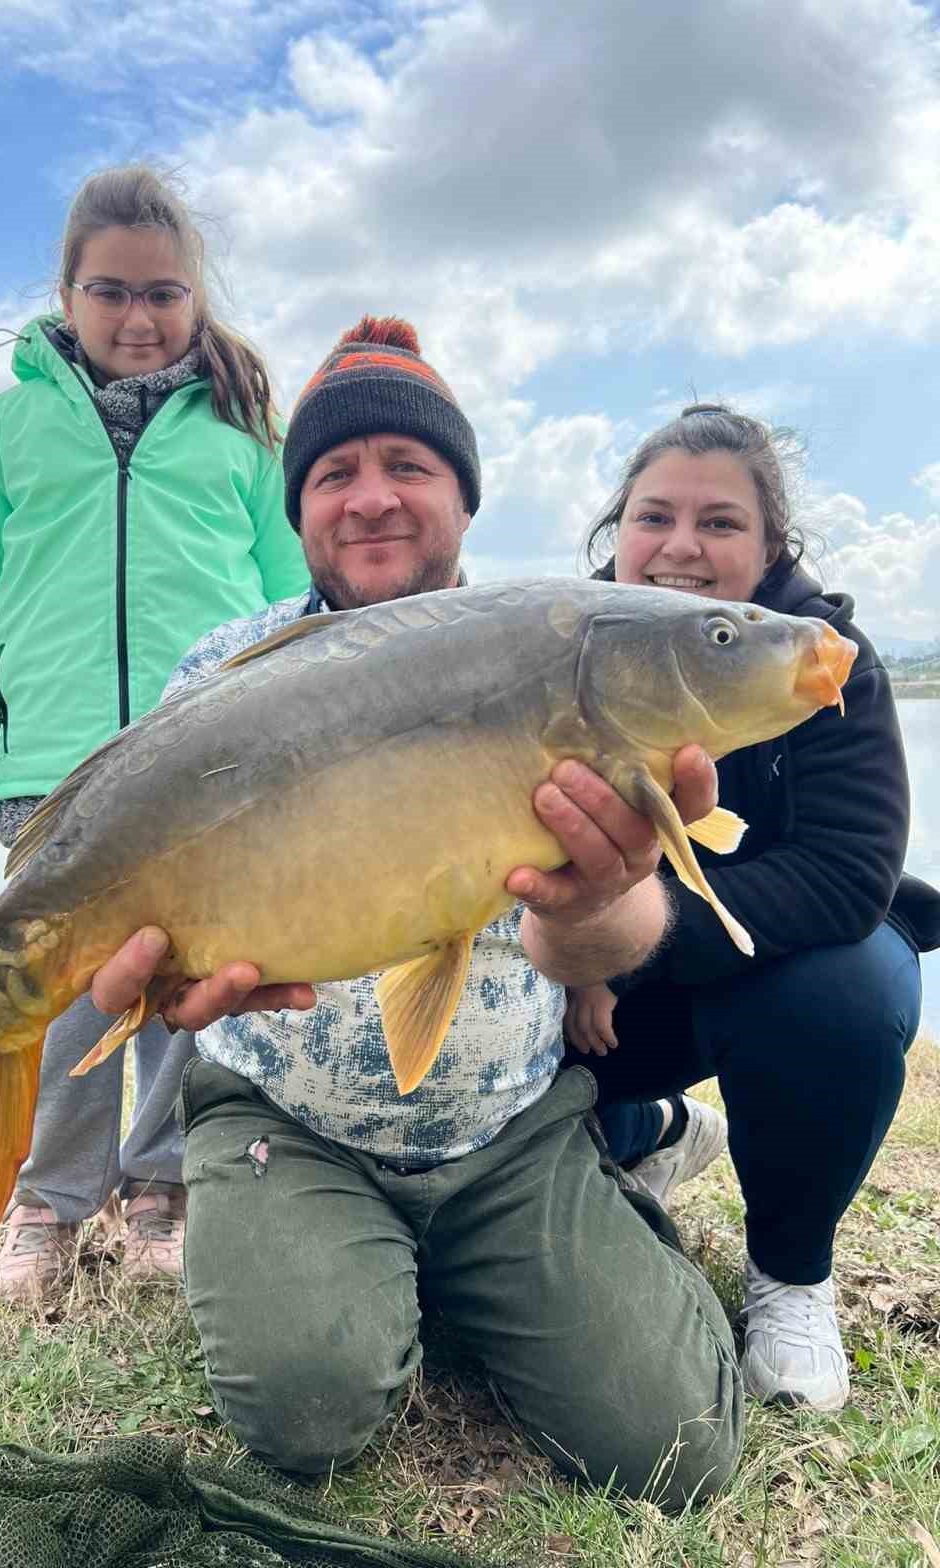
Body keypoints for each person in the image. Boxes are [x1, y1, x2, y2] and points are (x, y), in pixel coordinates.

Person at [80, 320, 745, 1510]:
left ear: (466, 498)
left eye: (410, 466)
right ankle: (336, 1259)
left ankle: (595, 1199)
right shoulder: (223, 670)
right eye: (335, 473)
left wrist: (597, 903)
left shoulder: (566, 653)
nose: (371, 498)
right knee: (309, 1412)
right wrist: (158, 977)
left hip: (507, 1122)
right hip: (286, 1114)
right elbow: (158, 924)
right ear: (298, 510)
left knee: (680, 1449)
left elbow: (603, 938)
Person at [0, 164, 308, 1301]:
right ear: (67, 296)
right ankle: (48, 1199)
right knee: (69, 987)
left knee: (189, 983)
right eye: (111, 292)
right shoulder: (6, 430)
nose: (139, 318)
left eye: (164, 294)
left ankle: (162, 1189)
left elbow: (294, 606)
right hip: (57, 769)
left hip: (212, 774)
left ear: (198, 299)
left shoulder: (242, 432)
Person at [564, 404, 940, 1413]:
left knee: (850, 991)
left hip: (769, 972)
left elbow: (848, 871)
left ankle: (791, 1270)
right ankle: (648, 1128)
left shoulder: (825, 660)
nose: (681, 546)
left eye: (721, 523)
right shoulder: (557, 648)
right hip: (587, 992)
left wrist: (618, 939)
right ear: (619, 533)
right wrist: (558, 958)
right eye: (655, 517)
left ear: (773, 545)